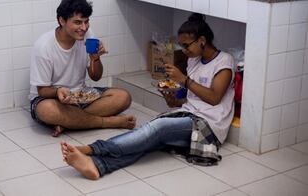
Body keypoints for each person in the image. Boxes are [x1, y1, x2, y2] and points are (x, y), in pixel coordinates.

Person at [61, 13, 235, 180]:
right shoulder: (194, 60)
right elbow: (190, 98)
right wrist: (172, 99)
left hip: (208, 125)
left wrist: (184, 80)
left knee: (157, 128)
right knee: (148, 142)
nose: (184, 51)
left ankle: (91, 149)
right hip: (190, 114)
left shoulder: (224, 62)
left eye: (187, 45)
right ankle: (98, 166)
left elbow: (214, 98)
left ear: (202, 41)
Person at [29, 0, 135, 137]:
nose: (83, 27)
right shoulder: (44, 46)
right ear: (62, 21)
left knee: (123, 97)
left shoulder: (88, 35)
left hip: (81, 95)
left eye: (86, 21)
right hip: (52, 98)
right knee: (47, 110)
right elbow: (42, 90)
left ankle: (69, 122)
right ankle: (107, 122)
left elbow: (96, 77)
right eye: (78, 22)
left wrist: (95, 59)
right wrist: (58, 91)